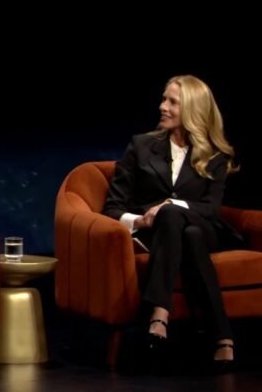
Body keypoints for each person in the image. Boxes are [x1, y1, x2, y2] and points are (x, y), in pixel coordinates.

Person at [102, 75, 241, 370]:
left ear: (192, 109)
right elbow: (112, 208)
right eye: (164, 99)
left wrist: (169, 205)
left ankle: (159, 310)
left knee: (176, 215)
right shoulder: (141, 146)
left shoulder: (215, 155)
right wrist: (141, 220)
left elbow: (211, 209)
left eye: (172, 102)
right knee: (188, 233)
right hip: (159, 234)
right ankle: (223, 336)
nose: (162, 106)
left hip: (208, 229)